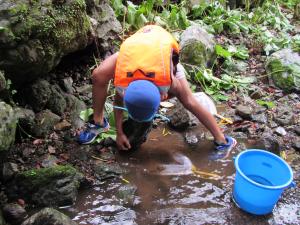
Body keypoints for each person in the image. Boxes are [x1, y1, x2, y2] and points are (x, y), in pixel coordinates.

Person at [78, 25, 236, 156]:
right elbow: (118, 103)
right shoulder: (123, 83)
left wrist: (220, 137)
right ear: (126, 93)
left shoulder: (169, 80)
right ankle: (98, 122)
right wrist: (119, 133)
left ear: (163, 95)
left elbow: (189, 102)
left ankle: (223, 140)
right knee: (98, 76)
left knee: (188, 99)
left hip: (159, 54)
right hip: (135, 53)